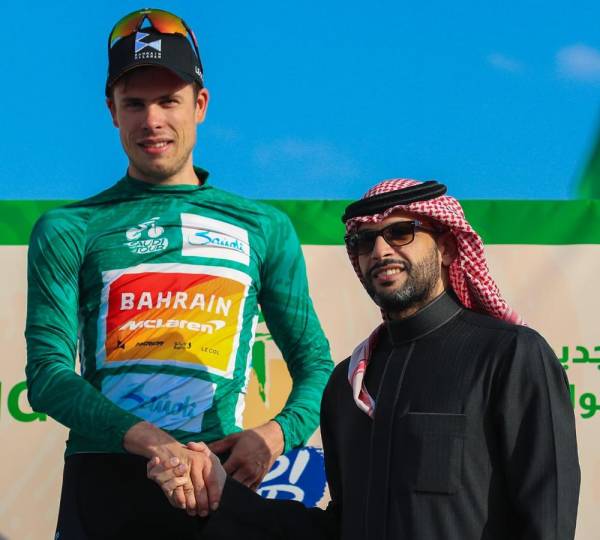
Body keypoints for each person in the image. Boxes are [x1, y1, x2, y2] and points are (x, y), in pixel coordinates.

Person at [24, 7, 332, 539]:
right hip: (105, 483)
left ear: (200, 104)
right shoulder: (69, 227)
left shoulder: (263, 227)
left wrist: (274, 437)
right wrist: (152, 442)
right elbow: (48, 375)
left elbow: (317, 365)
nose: (152, 120)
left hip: (214, 479)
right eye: (134, 103)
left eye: (169, 100)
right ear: (112, 111)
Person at [154, 178, 581, 539]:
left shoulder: (510, 354)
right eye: (364, 240)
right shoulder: (348, 386)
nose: (380, 250)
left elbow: (548, 514)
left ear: (448, 248)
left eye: (401, 232)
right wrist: (224, 492)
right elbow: (341, 527)